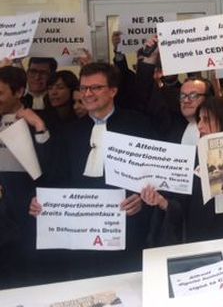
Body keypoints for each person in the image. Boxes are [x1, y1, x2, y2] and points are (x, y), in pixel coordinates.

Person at [29, 62, 155, 281]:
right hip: (81, 236)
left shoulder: (139, 125)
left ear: (113, 91)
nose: (87, 94)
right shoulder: (69, 132)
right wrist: (43, 202)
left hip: (128, 230)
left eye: (95, 87)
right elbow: (58, 178)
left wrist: (142, 199)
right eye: (84, 88)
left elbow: (155, 175)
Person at [140, 96, 223, 246]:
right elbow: (180, 209)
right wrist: (162, 202)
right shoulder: (190, 160)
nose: (200, 126)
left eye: (206, 120)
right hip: (198, 246)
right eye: (199, 120)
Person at [0, 66, 52, 288]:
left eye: (0, 93)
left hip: (25, 208)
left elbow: (51, 165)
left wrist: (39, 127)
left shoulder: (40, 119)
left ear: (19, 92)